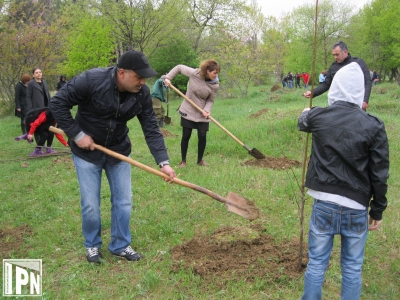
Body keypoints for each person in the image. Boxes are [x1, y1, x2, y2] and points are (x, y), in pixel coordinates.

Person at [49, 50, 177, 263]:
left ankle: (120, 244)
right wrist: (77, 134)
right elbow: (57, 103)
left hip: (118, 151)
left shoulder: (142, 94)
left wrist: (163, 162)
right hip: (86, 153)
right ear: (122, 73)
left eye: (145, 78)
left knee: (124, 202)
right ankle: (92, 245)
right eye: (139, 77)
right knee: (90, 203)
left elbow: (151, 128)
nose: (143, 82)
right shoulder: (91, 80)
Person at [298, 63, 389, 300]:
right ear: (360, 91)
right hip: (357, 207)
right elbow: (379, 173)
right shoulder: (373, 125)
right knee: (351, 266)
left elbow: (301, 122)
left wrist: (307, 112)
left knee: (317, 263)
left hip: (324, 205)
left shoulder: (318, 116)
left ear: (335, 88)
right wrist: (376, 210)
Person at [162, 60, 220, 167]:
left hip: (202, 112)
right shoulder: (195, 73)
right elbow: (179, 67)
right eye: (214, 73)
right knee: (186, 135)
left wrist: (206, 110)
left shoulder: (214, 85)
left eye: (217, 73)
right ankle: (183, 161)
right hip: (188, 109)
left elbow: (210, 100)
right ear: (207, 71)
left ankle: (200, 160)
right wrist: (168, 78)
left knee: (202, 135)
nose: (216, 75)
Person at [304, 41, 372, 111]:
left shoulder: (358, 63)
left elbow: (367, 82)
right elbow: (326, 84)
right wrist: (313, 92)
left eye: (337, 54)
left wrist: (365, 100)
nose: (335, 57)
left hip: (356, 105)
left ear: (345, 52)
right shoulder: (333, 67)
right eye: (334, 55)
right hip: (338, 106)